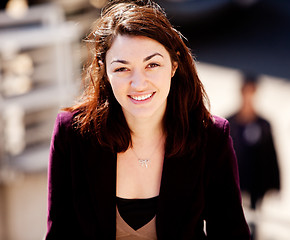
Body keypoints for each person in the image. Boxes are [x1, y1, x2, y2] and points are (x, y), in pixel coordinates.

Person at [45, 0, 250, 239]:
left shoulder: (210, 137)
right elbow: (59, 233)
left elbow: (231, 233)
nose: (139, 83)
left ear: (174, 64)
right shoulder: (72, 133)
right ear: (104, 71)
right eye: (122, 69)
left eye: (152, 64)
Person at [227, 74, 280, 239]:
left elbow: (271, 156)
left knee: (253, 221)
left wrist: (275, 183)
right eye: (246, 91)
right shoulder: (229, 123)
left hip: (256, 181)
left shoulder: (263, 125)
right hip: (235, 180)